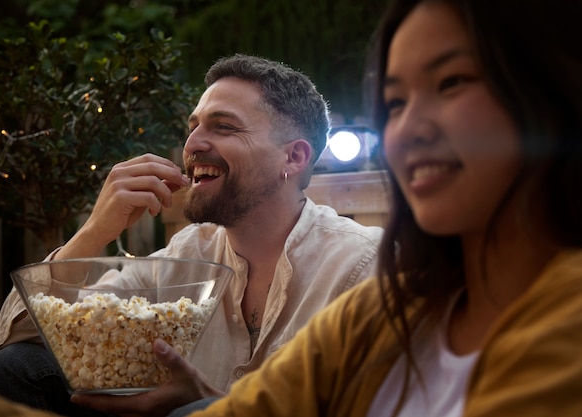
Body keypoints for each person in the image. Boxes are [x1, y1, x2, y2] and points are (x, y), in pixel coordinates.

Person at [172, 0, 582, 415]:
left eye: (452, 82)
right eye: (396, 103)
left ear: (551, 93)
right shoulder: (384, 310)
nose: (406, 130)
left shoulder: (567, 315)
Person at [0, 54, 383, 416]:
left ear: (293, 157)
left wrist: (209, 400)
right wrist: (95, 231)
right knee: (12, 370)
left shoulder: (363, 266)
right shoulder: (187, 255)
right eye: (193, 126)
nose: (192, 144)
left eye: (223, 127)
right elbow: (21, 335)